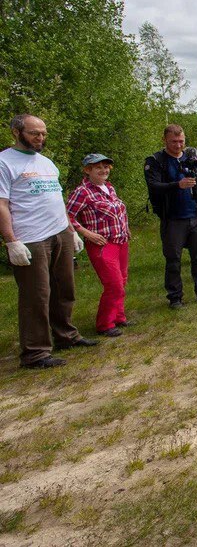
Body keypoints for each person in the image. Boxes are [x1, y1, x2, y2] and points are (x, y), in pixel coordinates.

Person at [1, 114, 96, 369]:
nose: (40, 138)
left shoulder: (46, 163)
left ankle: (66, 335)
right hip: (31, 237)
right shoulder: (4, 162)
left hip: (59, 232)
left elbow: (56, 197)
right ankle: (35, 352)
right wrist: (11, 241)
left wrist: (70, 229)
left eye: (43, 133)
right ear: (16, 132)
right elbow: (2, 204)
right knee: (37, 295)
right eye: (34, 133)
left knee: (65, 288)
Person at [144, 124, 197, 309]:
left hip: (195, 215)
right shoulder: (156, 161)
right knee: (173, 258)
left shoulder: (192, 159)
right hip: (173, 218)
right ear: (165, 140)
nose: (178, 145)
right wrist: (177, 185)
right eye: (174, 141)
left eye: (181, 141)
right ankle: (175, 296)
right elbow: (153, 186)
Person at [66, 154, 131, 337]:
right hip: (102, 243)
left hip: (120, 241)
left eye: (106, 167)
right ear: (88, 170)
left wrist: (126, 229)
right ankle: (105, 324)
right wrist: (87, 233)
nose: (104, 170)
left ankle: (119, 316)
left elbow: (117, 212)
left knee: (122, 280)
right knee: (114, 284)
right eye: (98, 167)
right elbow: (67, 216)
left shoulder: (109, 188)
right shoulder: (83, 192)